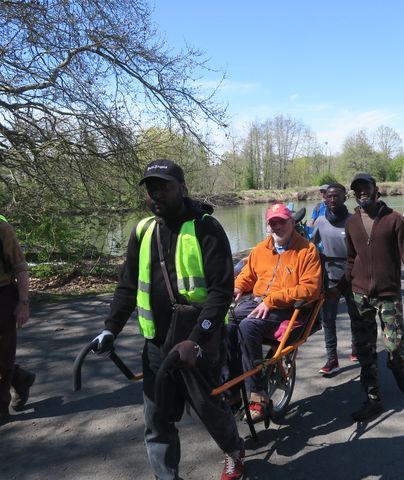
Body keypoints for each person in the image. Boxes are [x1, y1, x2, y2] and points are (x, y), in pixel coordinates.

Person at [90, 159, 245, 480]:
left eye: (164, 186)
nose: (156, 194)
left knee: (209, 409)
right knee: (157, 418)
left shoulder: (206, 228)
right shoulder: (143, 231)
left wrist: (198, 339)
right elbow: (127, 286)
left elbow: (221, 292)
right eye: (150, 188)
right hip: (157, 346)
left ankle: (233, 449)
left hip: (196, 344)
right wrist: (110, 329)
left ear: (183, 188)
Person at [231, 203, 321, 422]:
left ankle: (258, 395)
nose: (278, 226)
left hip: (288, 309)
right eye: (273, 223)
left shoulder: (307, 250)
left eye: (282, 221)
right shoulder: (261, 249)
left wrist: (272, 300)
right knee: (225, 324)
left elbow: (310, 288)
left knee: (247, 327)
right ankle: (231, 390)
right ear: (268, 226)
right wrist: (239, 286)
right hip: (257, 301)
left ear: (292, 222)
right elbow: (249, 274)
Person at [345, 172, 404, 422]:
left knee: (394, 344)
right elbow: (350, 258)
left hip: (388, 294)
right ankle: (373, 399)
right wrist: (345, 286)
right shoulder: (352, 223)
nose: (362, 193)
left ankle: (397, 366)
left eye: (366, 188)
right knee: (365, 351)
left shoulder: (394, 219)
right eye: (358, 190)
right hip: (360, 296)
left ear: (376, 189)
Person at [0, 199, 35, 433]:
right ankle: (19, 377)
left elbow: (20, 267)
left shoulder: (0, 229)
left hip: (1, 298)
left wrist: (23, 303)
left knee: (1, 355)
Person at [311, 183, 359, 374]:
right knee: (328, 319)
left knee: (355, 315)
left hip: (352, 276)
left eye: (336, 196)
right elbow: (310, 247)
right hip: (329, 277)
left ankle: (356, 347)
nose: (332, 199)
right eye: (329, 196)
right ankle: (332, 359)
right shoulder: (320, 221)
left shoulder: (353, 220)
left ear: (344, 197)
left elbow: (361, 250)